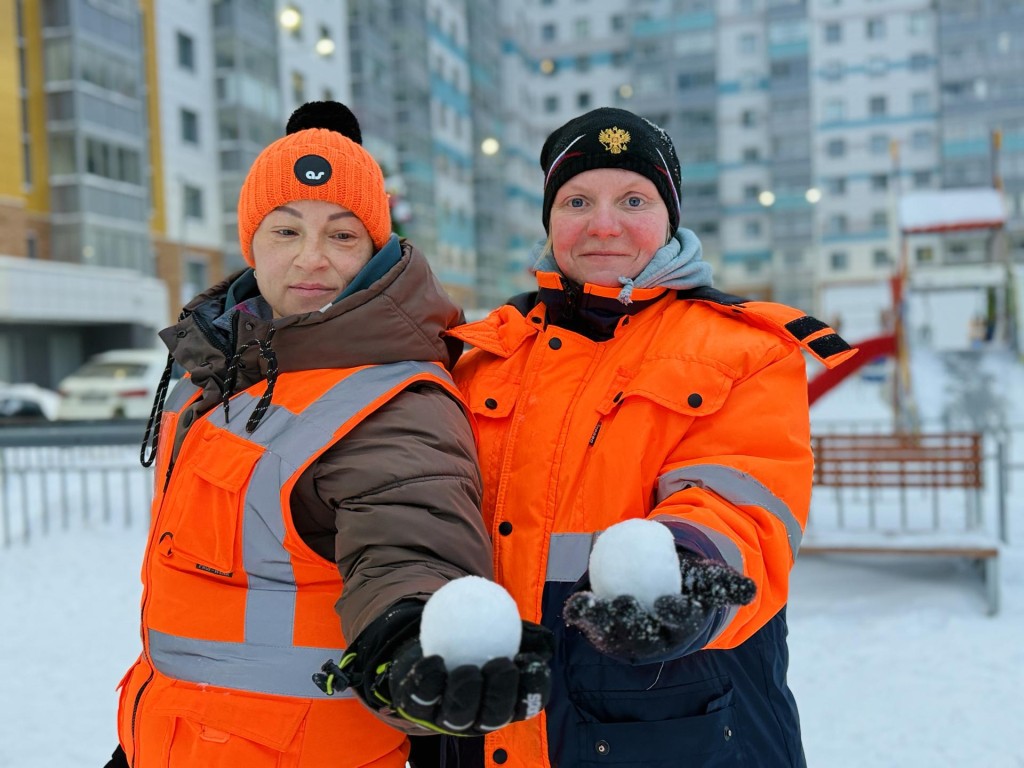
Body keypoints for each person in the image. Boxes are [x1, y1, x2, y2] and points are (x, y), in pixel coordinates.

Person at [105, 101, 550, 768]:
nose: (312, 259)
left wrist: (410, 638)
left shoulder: (394, 399)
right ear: (250, 244)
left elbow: (409, 536)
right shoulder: (228, 372)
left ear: (375, 248)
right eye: (286, 231)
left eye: (342, 235)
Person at [445, 107, 857, 767]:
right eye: (578, 200)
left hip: (671, 719)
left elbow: (742, 495)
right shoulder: (485, 354)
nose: (603, 224)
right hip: (490, 726)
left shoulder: (742, 348)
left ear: (669, 216)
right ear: (550, 218)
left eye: (632, 199)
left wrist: (686, 573)